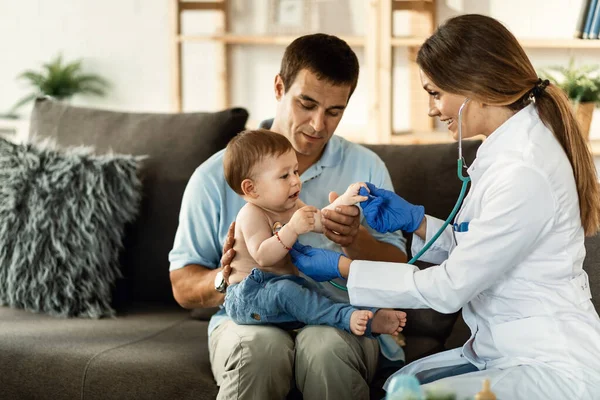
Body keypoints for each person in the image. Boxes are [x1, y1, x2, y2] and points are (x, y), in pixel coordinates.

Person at [288, 14, 600, 400]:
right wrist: (417, 223)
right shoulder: (508, 149)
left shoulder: (525, 170)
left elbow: (452, 286)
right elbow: (483, 251)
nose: (432, 110)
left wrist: (343, 267)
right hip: (505, 348)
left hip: (548, 362)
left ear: (473, 86)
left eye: (435, 93)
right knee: (399, 386)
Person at [169, 33, 408, 400]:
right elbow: (183, 285)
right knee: (259, 351)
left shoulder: (366, 167)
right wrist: (229, 278)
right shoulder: (215, 176)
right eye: (306, 104)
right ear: (279, 87)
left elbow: (400, 269)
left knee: (326, 349)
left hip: (337, 317)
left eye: (334, 112)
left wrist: (354, 238)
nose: (317, 125)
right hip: (251, 318)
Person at [222, 129, 407, 336]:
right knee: (290, 292)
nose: (295, 181)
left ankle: (370, 316)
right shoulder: (251, 214)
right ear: (251, 189)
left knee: (318, 293)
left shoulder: (289, 206)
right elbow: (264, 256)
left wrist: (344, 201)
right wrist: (292, 229)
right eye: (284, 176)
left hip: (285, 289)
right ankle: (345, 318)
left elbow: (322, 220)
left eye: (295, 171)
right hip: (250, 296)